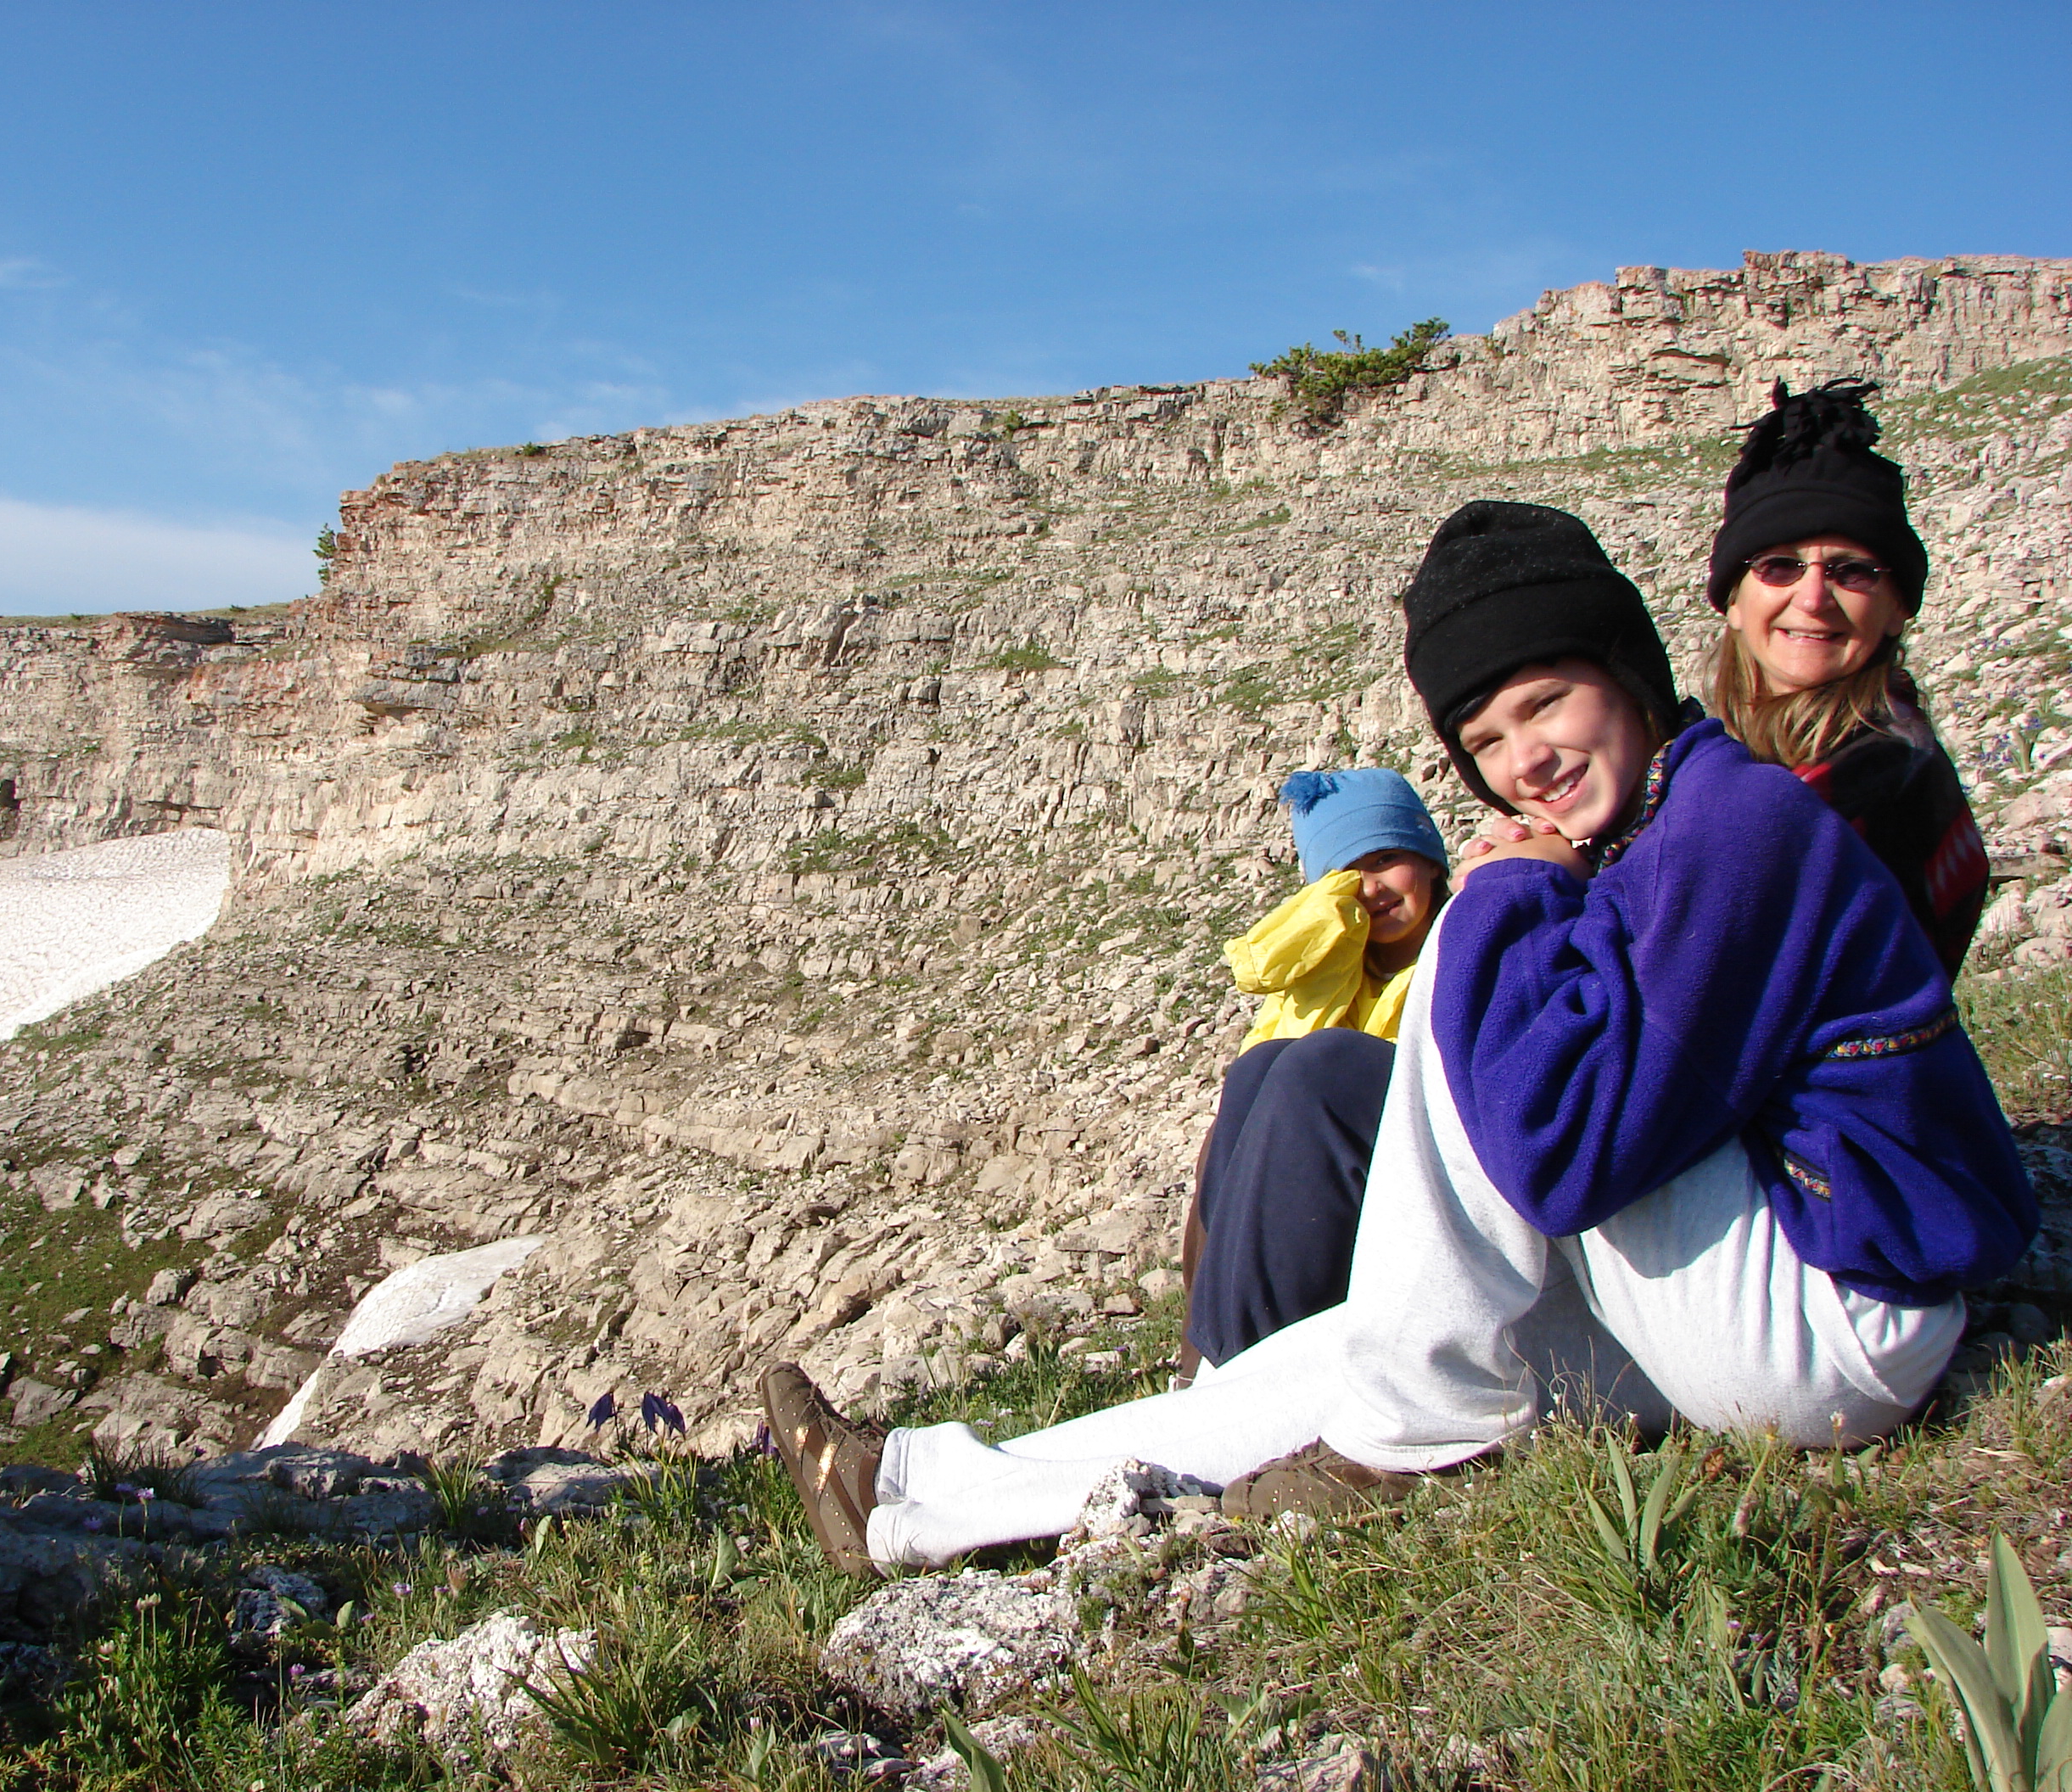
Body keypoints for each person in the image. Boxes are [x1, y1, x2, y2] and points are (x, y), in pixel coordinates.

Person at [761, 501, 2034, 1572]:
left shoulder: (1739, 826)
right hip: (1760, 1300)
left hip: (1839, 1320)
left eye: (1548, 705)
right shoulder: (1656, 827)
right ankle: (918, 1497)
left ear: (1630, 677)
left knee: (1470, 1010)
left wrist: (1495, 900)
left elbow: (1569, 1147)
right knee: (1343, 1350)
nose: (1525, 761)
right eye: (1485, 743)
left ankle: (1412, 1429)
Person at [1705, 378, 1987, 976]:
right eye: (1779, 566)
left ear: (1896, 608)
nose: (1812, 598)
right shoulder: (1704, 760)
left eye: (1850, 571)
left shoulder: (1888, 784)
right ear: (1734, 600)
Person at [1179, 770, 1449, 1378]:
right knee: (1254, 1074)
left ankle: (1249, 1371)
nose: (1372, 887)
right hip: (1341, 1180)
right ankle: (1210, 1364)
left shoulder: (1462, 940)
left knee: (1319, 1062)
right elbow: (1259, 971)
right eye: (1346, 875)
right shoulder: (1327, 969)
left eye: (1387, 857)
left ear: (1430, 859)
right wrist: (1330, 921)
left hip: (1430, 1164)